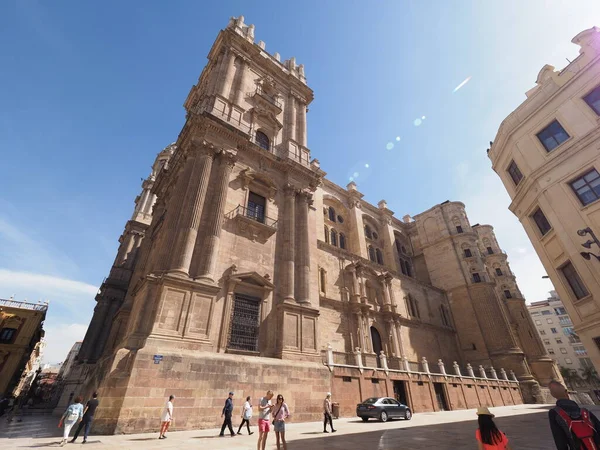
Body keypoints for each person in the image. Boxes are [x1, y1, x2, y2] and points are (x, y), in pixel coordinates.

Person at [548, 380, 600, 449]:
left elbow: (559, 440)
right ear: (566, 392)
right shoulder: (585, 412)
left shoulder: (554, 413)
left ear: (552, 395)